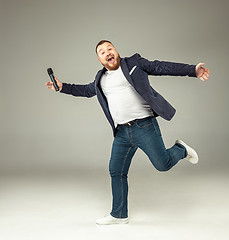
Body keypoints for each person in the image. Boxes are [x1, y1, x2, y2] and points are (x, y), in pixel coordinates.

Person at [46, 40, 209, 225]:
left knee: (163, 164)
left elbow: (161, 66)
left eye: (110, 48)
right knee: (116, 170)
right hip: (122, 133)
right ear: (100, 60)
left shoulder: (134, 63)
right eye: (102, 52)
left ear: (116, 51)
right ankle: (119, 214)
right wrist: (62, 87)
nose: (107, 52)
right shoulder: (100, 79)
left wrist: (192, 70)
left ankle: (181, 149)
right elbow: (85, 90)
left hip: (144, 127)